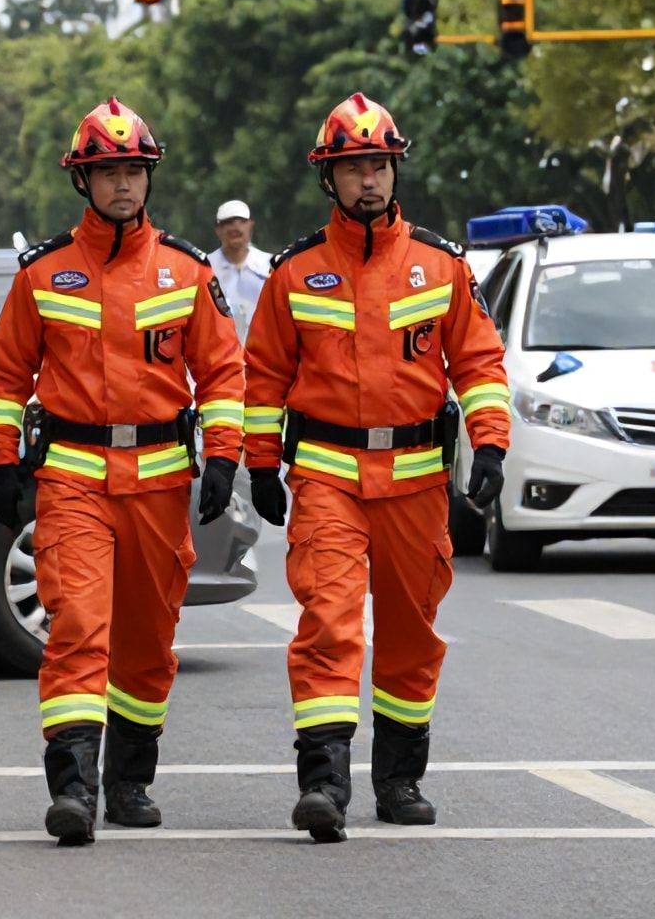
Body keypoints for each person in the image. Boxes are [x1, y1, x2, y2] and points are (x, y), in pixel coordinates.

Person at [243, 92, 510, 844]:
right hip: (326, 473)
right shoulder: (295, 272)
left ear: (396, 171)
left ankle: (399, 779)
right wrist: (261, 463)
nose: (368, 180)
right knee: (328, 621)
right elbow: (261, 376)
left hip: (419, 478)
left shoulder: (440, 266)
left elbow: (481, 363)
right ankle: (324, 781)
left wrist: (490, 442)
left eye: (378, 165)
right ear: (329, 178)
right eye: (353, 166)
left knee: (410, 629)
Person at [0, 97, 246, 847]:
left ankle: (131, 779)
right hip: (71, 479)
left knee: (147, 640)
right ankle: (74, 786)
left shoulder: (188, 272)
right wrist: (4, 466)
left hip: (162, 482)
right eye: (108, 172)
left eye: (133, 171)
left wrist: (224, 456)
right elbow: (5, 378)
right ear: (83, 181)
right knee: (76, 628)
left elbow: (224, 375)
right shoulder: (44, 274)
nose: (123, 185)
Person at [207, 199, 270, 342]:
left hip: (262, 352)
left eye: (241, 221)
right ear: (218, 229)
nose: (235, 228)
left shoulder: (270, 266)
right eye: (228, 222)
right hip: (220, 352)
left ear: (250, 224)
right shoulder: (205, 268)